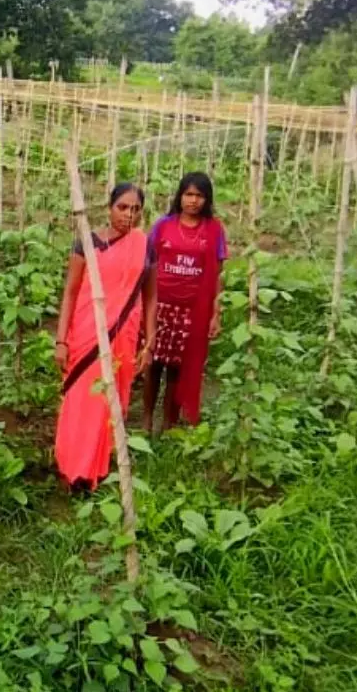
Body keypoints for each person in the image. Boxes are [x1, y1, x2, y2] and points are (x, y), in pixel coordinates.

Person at [53, 183, 157, 492]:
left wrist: (149, 342)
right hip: (86, 333)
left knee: (108, 403)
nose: (129, 215)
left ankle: (94, 468)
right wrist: (61, 340)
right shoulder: (87, 242)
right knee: (81, 401)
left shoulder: (143, 245)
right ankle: (73, 467)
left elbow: (150, 297)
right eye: (123, 207)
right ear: (109, 207)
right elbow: (70, 293)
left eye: (136, 209)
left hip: (123, 338)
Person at [142, 171, 228, 434]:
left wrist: (216, 313)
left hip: (193, 309)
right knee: (153, 364)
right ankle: (146, 420)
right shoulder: (163, 226)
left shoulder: (214, 230)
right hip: (160, 305)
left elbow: (218, 273)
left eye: (199, 196)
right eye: (188, 194)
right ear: (179, 197)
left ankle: (169, 423)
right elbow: (146, 265)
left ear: (207, 199)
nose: (193, 201)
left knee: (178, 369)